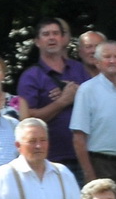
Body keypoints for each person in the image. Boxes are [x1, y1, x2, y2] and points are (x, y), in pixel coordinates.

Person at [16, 18, 88, 174]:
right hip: (51, 158)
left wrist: (80, 93)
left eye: (55, 33)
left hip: (85, 155)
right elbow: (27, 120)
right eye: (46, 34)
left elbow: (96, 103)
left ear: (63, 39)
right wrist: (62, 102)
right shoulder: (31, 76)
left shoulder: (79, 69)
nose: (51, 38)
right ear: (37, 41)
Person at [69, 39, 116, 194]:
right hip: (102, 165)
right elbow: (78, 137)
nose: (113, 61)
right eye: (107, 57)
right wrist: (90, 175)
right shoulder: (87, 90)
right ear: (98, 62)